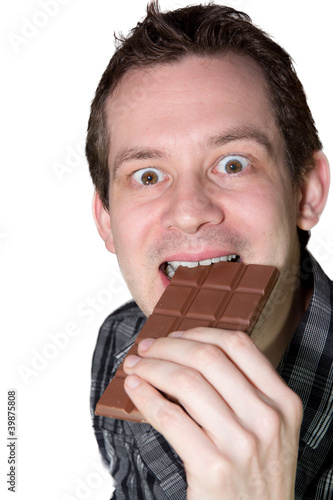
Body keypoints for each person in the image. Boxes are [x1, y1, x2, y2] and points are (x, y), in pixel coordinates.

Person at [86, 2, 332, 499]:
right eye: (148, 175)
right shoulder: (121, 342)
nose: (190, 210)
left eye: (233, 164)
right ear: (107, 222)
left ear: (306, 193)